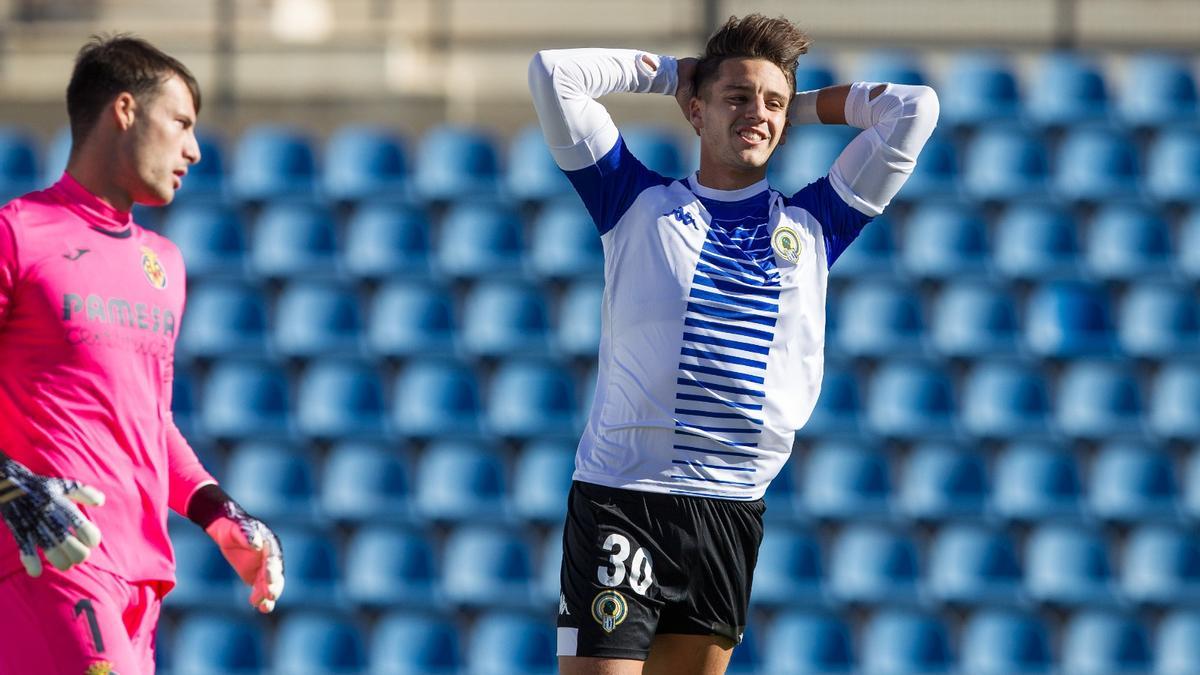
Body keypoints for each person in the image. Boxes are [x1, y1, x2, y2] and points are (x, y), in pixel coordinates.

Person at [528, 13, 939, 675]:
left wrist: (797, 108)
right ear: (696, 110)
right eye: (737, 97)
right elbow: (554, 75)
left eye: (771, 102)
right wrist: (671, 75)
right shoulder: (633, 201)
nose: (757, 113)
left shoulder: (813, 225)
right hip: (624, 497)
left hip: (729, 509)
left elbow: (914, 108)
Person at [0, 35, 283, 674]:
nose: (195, 149)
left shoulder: (165, 264)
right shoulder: (18, 234)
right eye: (181, 122)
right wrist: (10, 485)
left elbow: (150, 421)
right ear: (124, 110)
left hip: (142, 578)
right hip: (48, 559)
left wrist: (218, 514)